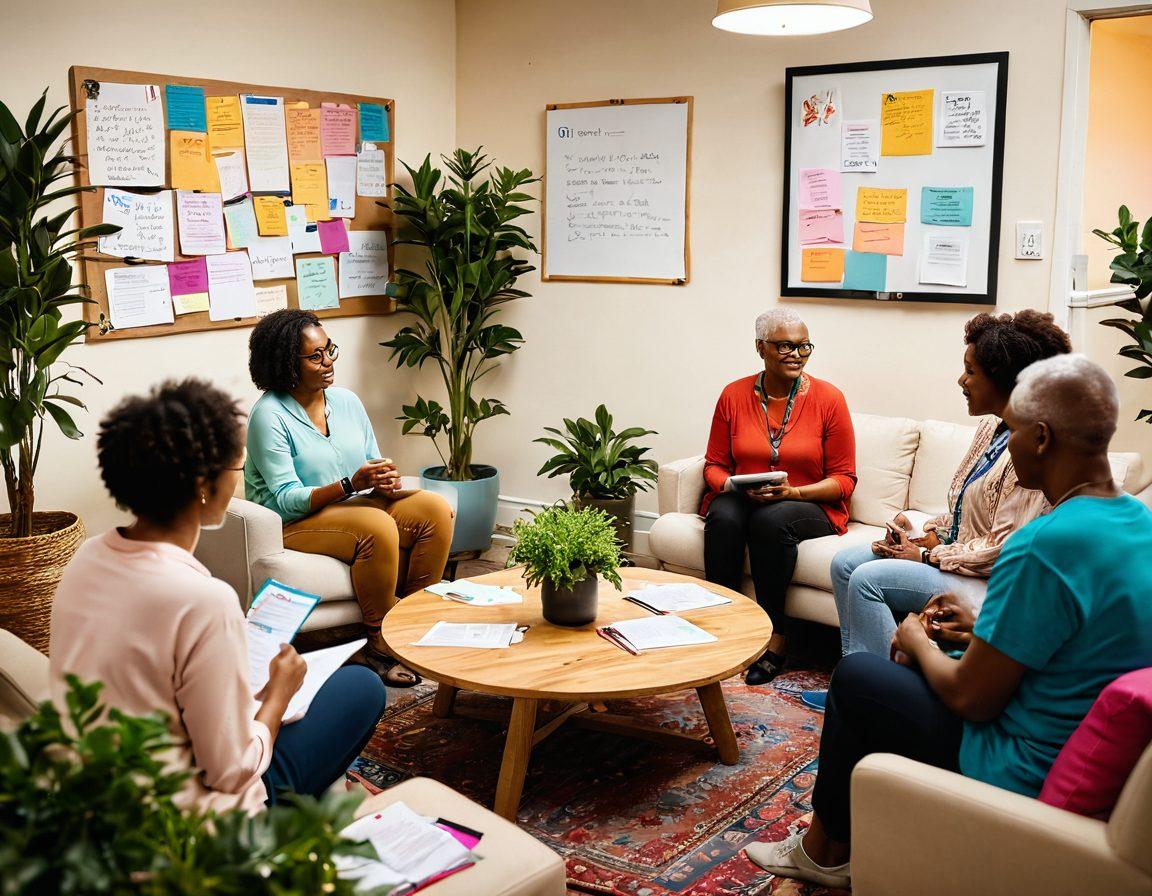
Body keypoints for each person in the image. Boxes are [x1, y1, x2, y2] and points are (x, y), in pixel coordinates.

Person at [744, 355, 1152, 889]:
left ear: (1043, 438)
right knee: (891, 672)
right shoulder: (1137, 523)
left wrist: (915, 638)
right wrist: (979, 626)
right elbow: (1072, 640)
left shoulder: (1043, 544)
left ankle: (823, 853)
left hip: (1017, 759)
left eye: (1014, 432)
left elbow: (971, 699)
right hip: (1065, 725)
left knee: (861, 678)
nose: (1006, 445)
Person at [49, 380, 388, 813]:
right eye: (237, 468)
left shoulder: (86, 557)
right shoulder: (204, 600)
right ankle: (302, 814)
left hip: (110, 785)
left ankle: (333, 787)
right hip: (195, 819)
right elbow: (231, 770)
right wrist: (281, 692)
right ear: (203, 484)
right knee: (361, 686)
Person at [829, 311, 1071, 659]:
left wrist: (928, 556)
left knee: (869, 579)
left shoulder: (1032, 448)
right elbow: (966, 514)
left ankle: (884, 687)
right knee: (845, 564)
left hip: (989, 583)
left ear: (1003, 379)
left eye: (971, 371)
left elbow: (1003, 550)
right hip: (956, 562)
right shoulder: (991, 429)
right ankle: (857, 675)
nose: (961, 380)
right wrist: (920, 532)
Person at [245, 309, 454, 687]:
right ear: (284, 364)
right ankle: (378, 644)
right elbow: (287, 498)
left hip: (348, 505)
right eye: (315, 356)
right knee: (375, 526)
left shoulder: (345, 401)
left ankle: (410, 627)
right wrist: (350, 485)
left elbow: (370, 462)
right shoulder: (268, 416)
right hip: (290, 521)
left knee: (434, 508)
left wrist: (383, 481)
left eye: (329, 350)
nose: (328, 363)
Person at [703, 307, 857, 685]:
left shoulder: (828, 399)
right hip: (746, 495)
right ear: (761, 348)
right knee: (723, 515)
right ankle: (725, 625)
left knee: (771, 520)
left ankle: (776, 638)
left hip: (809, 502)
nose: (797, 355)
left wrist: (794, 491)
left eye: (804, 347)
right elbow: (713, 465)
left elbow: (845, 479)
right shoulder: (734, 395)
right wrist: (731, 485)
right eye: (786, 346)